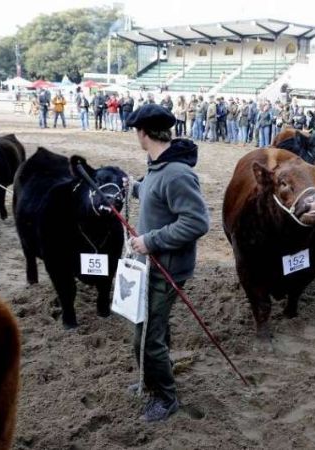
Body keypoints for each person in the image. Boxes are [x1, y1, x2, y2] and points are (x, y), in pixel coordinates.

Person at [124, 104, 210, 422]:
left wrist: (151, 241)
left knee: (146, 338)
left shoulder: (177, 173)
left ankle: (166, 397)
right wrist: (132, 188)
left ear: (143, 132)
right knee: (151, 330)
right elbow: (153, 195)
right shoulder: (158, 166)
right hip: (150, 266)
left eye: (136, 130)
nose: (136, 135)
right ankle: (152, 378)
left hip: (167, 269)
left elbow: (197, 222)